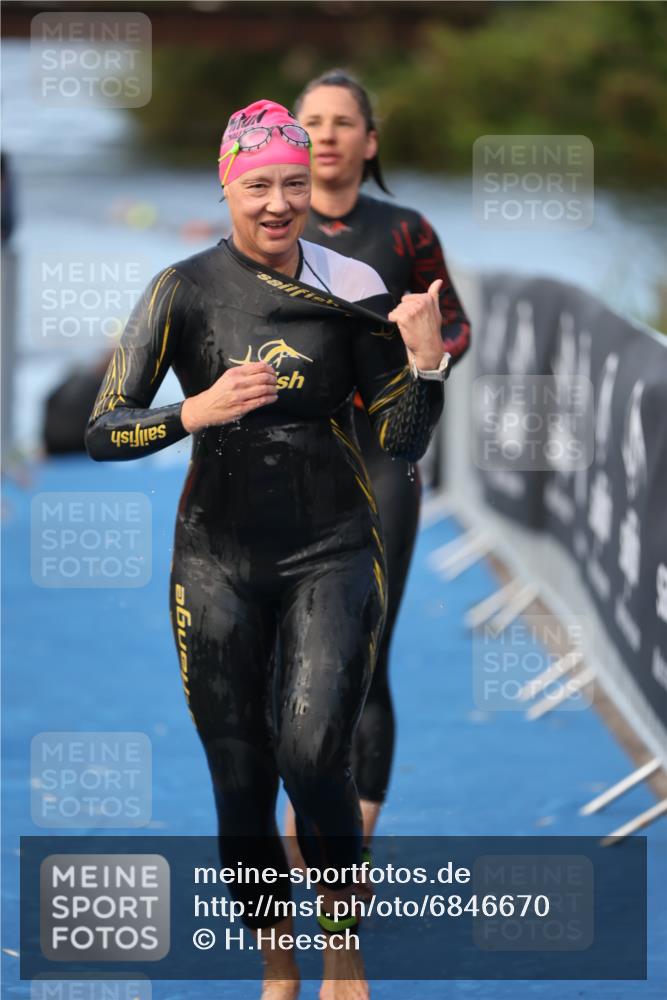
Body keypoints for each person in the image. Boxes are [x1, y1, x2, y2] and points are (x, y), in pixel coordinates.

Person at [85, 99, 448, 1000]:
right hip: (215, 564)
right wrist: (191, 413)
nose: (279, 201)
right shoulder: (181, 289)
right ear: (227, 186)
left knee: (313, 754)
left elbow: (400, 440)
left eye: (293, 182)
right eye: (259, 185)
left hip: (331, 549)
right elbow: (101, 429)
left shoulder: (348, 286)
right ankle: (277, 967)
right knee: (239, 776)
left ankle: (342, 950)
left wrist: (426, 366)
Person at [281, 70, 471, 861]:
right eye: (311, 121)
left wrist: (422, 347)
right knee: (287, 649)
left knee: (363, 644)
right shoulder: (265, 223)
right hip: (289, 461)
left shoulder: (404, 232)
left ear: (369, 141)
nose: (325, 134)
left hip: (382, 456)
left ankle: (347, 850)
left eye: (340, 122)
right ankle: (301, 808)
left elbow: (454, 327)